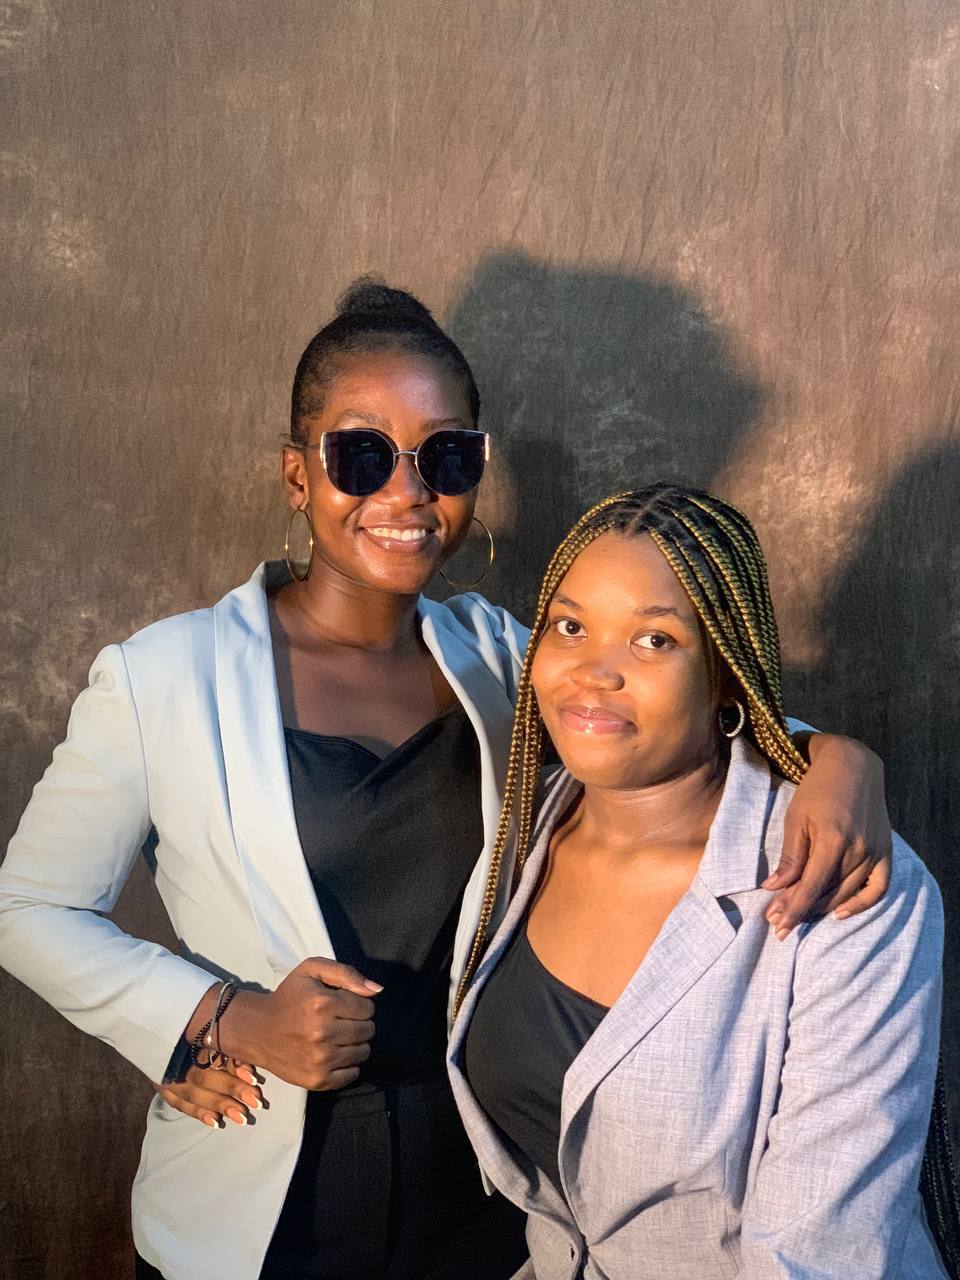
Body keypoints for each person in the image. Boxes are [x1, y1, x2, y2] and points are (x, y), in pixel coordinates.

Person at [0, 286, 891, 1280]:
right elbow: (28, 905)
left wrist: (833, 758)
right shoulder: (161, 677)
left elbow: (661, 709)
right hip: (255, 1203)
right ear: (297, 474)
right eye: (361, 453)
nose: (407, 492)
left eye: (447, 456)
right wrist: (216, 1014)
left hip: (484, 1201)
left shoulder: (508, 659)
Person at [449, 484, 946, 1279]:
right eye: (570, 626)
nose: (594, 672)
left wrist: (830, 757)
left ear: (724, 674)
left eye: (653, 641)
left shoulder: (846, 885)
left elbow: (815, 1258)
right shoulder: (526, 827)